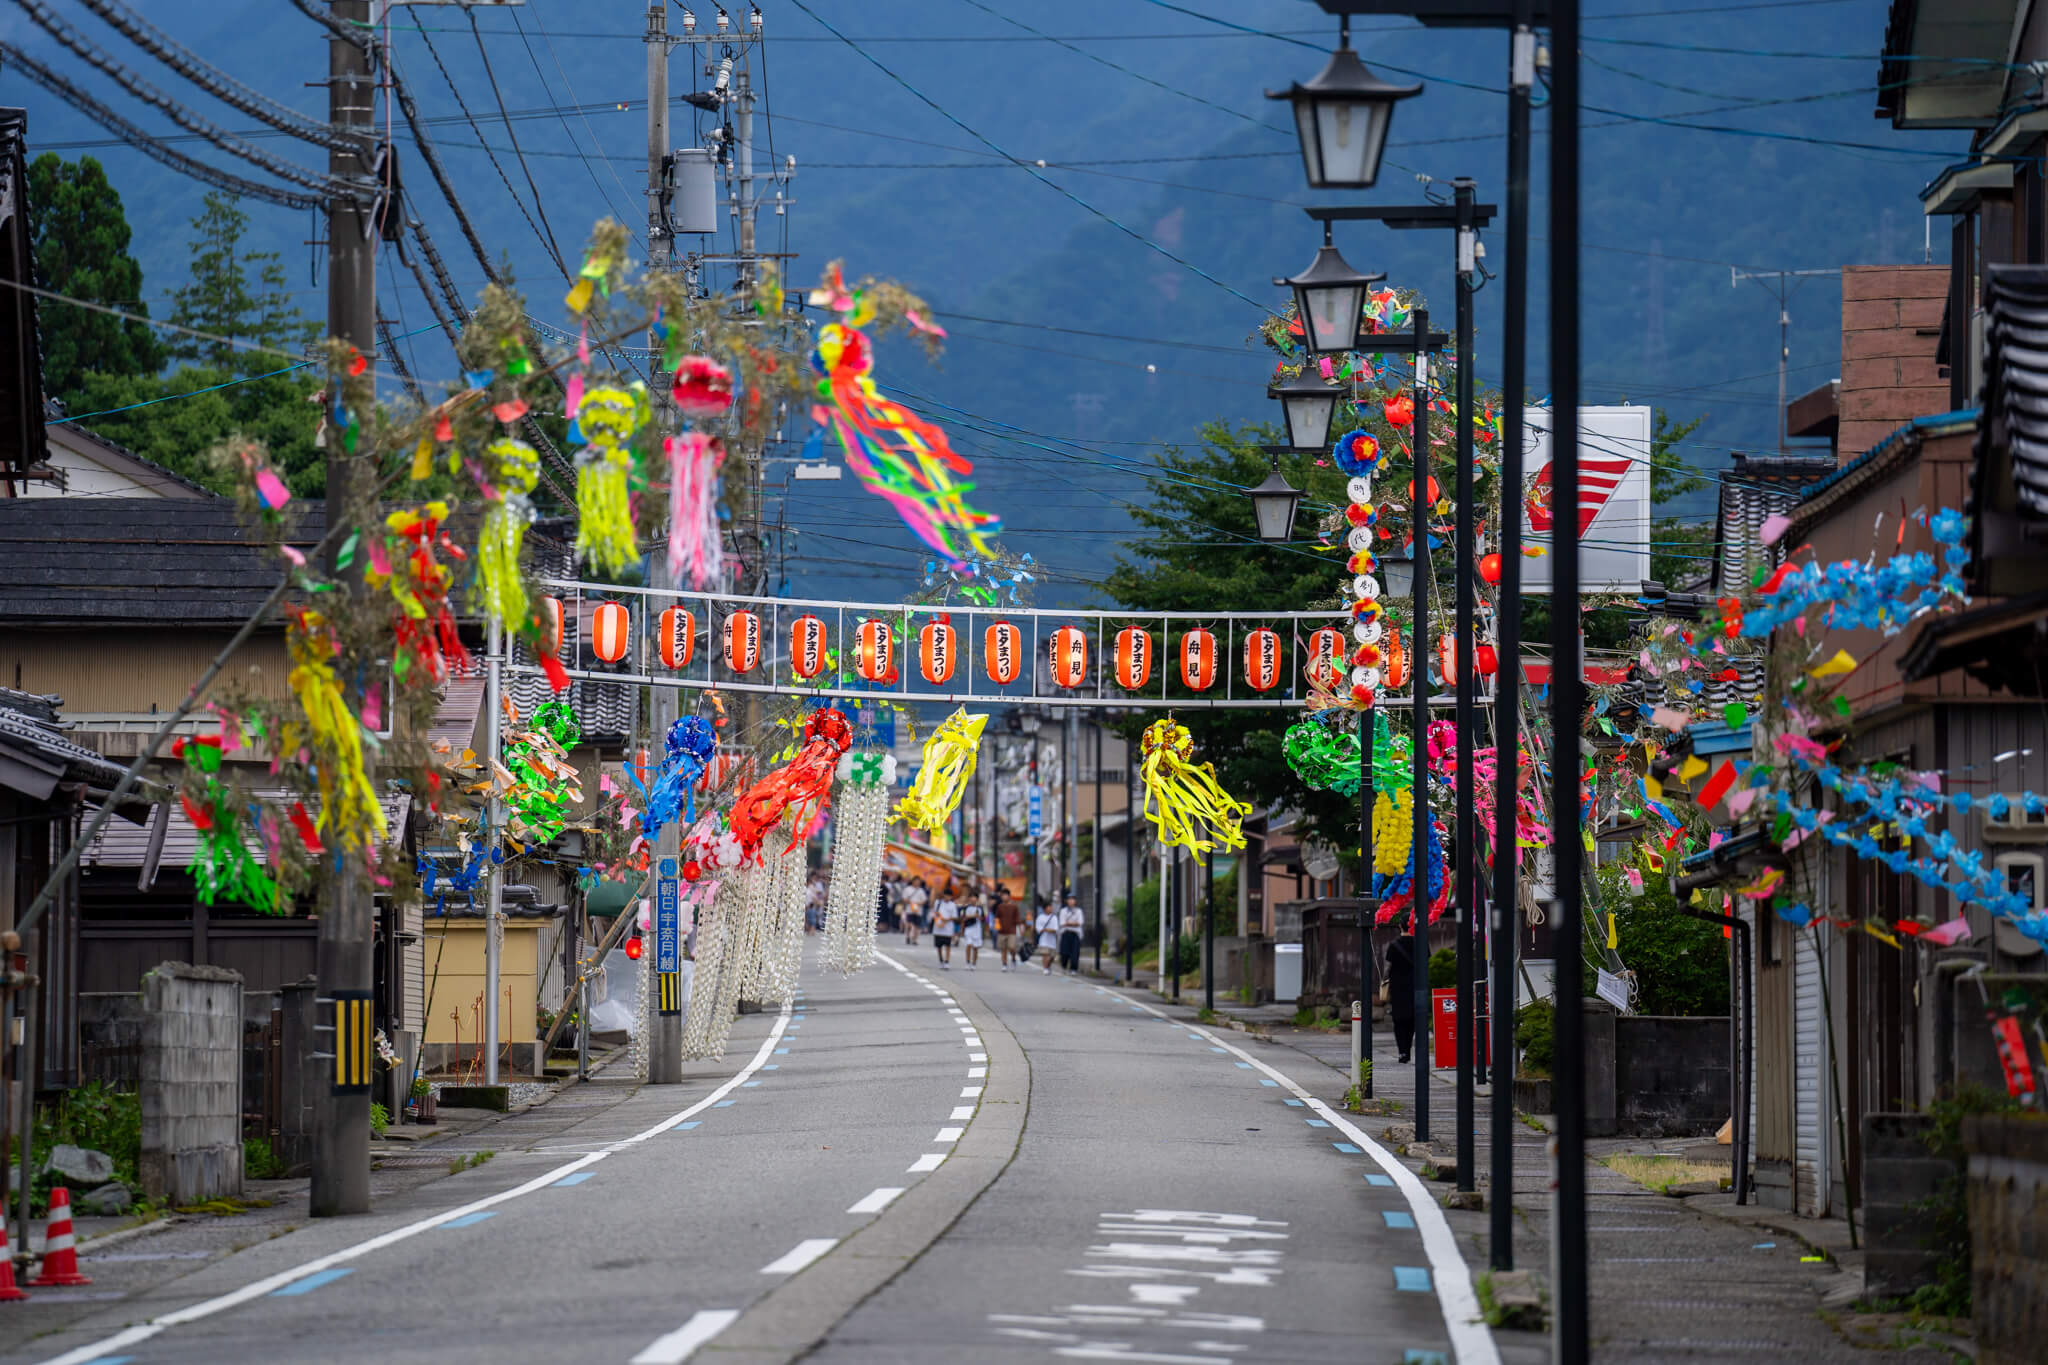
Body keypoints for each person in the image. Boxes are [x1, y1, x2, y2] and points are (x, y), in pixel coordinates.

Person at [1385, 935, 1418, 1064]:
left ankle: (1402, 1051)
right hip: (1415, 986)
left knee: (1398, 1021)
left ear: (1400, 926)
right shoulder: (1420, 943)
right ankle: (1408, 1049)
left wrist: (1384, 981)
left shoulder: (1394, 945)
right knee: (1412, 1020)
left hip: (1397, 988)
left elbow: (1387, 967)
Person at [1057, 892, 1085, 975]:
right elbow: (1062, 923)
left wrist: (1069, 923)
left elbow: (1080, 922)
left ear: (1075, 901)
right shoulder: (1063, 911)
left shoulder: (1079, 911)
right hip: (1065, 933)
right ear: (1067, 901)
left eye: (1073, 899)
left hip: (1075, 934)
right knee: (1064, 952)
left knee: (1075, 952)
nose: (1071, 901)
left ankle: (1073, 969)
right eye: (1069, 899)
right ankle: (1064, 966)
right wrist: (1073, 923)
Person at [931, 888, 958, 969]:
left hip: (948, 928)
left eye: (949, 896)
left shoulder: (952, 905)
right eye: (946, 895)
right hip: (938, 927)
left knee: (947, 945)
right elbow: (935, 912)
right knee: (939, 946)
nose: (947, 897)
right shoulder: (938, 903)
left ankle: (947, 961)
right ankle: (941, 960)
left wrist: (946, 919)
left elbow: (954, 916)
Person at [1034, 900, 1060, 975]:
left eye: (1051, 907)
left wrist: (1047, 929)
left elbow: (1055, 929)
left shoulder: (1054, 917)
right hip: (1043, 939)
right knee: (1045, 954)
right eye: (1049, 907)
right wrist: (1047, 930)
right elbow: (1039, 929)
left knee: (1052, 956)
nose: (1050, 909)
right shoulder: (1040, 917)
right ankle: (1045, 968)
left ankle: (1048, 966)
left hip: (1052, 940)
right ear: (1045, 908)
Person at [994, 894, 1019, 972]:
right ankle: (1004, 964)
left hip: (1012, 931)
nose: (1004, 897)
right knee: (1003, 949)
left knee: (1012, 947)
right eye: (1003, 896)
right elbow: (997, 917)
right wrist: (997, 926)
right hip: (1002, 931)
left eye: (1005, 895)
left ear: (1008, 896)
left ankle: (1013, 959)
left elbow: (1017, 918)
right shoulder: (1000, 906)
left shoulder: (1014, 906)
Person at [959, 893, 983, 970]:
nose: (973, 899)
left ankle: (974, 963)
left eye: (974, 898)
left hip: (977, 929)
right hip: (968, 928)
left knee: (975, 947)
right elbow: (963, 918)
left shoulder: (980, 908)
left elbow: (984, 919)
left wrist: (978, 916)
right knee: (968, 944)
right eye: (971, 897)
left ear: (977, 899)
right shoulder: (966, 908)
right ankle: (967, 962)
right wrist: (972, 916)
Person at [903, 877, 927, 947]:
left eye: (918, 881)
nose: (917, 882)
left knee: (917, 926)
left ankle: (915, 939)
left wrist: (918, 903)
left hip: (918, 910)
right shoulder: (908, 889)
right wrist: (910, 902)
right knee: (909, 924)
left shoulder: (921, 890)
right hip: (910, 909)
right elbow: (904, 898)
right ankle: (907, 936)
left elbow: (924, 900)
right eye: (916, 881)